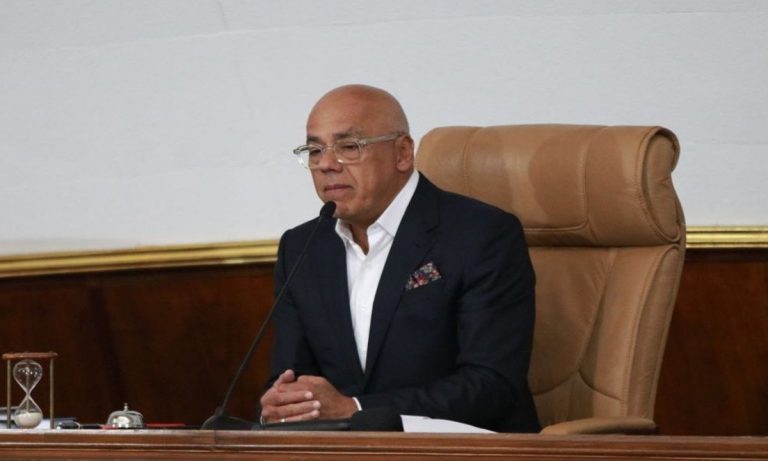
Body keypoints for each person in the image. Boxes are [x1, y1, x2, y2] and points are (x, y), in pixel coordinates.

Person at [259, 84, 540, 432]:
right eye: (315, 150)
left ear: (403, 153)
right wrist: (282, 404)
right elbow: (291, 376)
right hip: (342, 452)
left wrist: (356, 409)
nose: (327, 164)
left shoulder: (481, 234)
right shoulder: (302, 247)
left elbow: (492, 384)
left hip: (464, 449)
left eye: (349, 146)